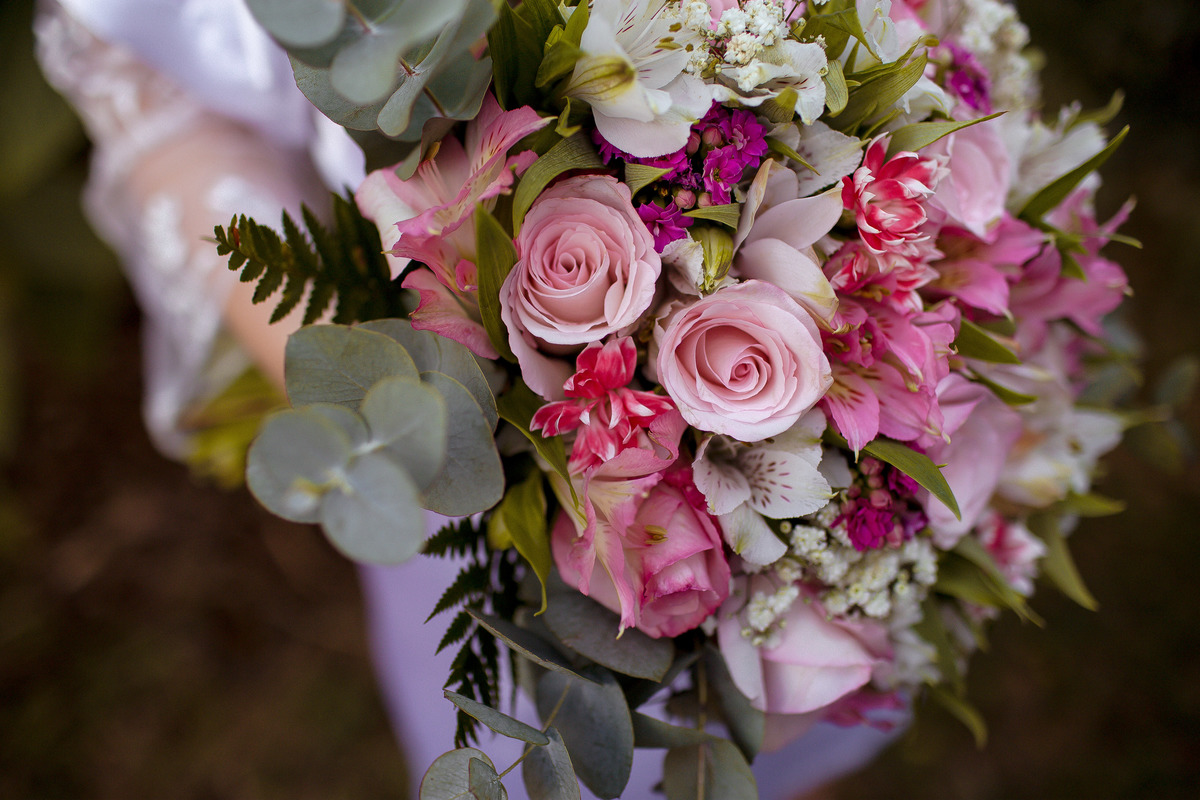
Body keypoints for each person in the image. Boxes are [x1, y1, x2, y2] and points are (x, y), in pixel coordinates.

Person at [35, 2, 903, 796]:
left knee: (817, 667)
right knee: (565, 734)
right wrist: (413, 406)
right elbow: (156, 97)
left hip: (855, 298)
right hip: (478, 433)